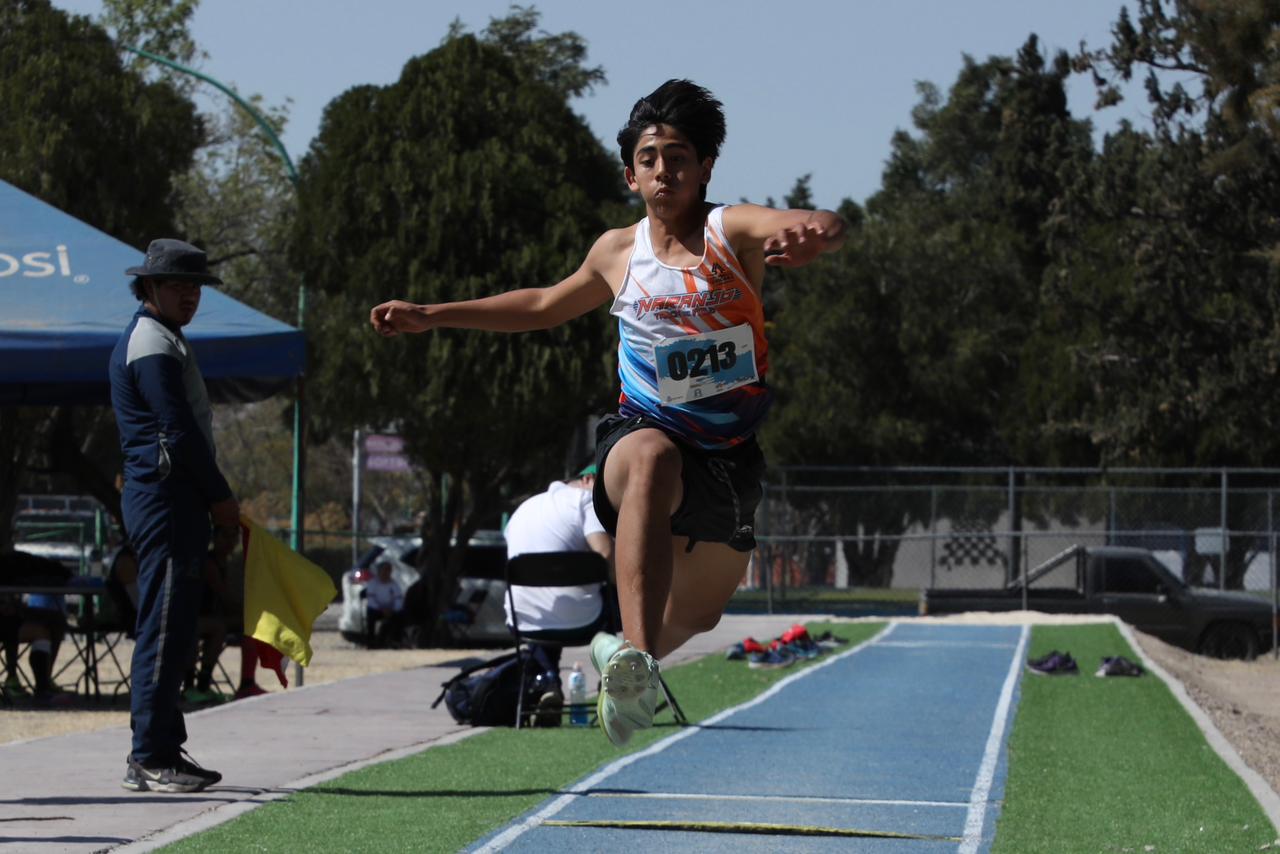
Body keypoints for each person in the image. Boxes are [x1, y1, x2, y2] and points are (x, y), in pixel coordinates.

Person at [369, 80, 846, 746]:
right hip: (641, 432)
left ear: (706, 167)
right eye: (649, 159)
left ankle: (620, 650)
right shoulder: (618, 253)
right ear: (630, 175)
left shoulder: (728, 231)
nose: (664, 171)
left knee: (700, 615)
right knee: (651, 458)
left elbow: (810, 221)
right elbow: (541, 305)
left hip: (728, 456)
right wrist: (434, 315)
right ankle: (638, 660)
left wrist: (815, 232)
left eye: (678, 157)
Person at [108, 238, 240, 792]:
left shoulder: (166, 337)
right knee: (162, 629)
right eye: (179, 286)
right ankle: (148, 756)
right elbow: (178, 433)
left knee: (178, 628)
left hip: (175, 501)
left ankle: (165, 747)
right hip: (164, 500)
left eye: (196, 287)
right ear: (150, 287)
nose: (189, 296)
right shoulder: (150, 342)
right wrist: (222, 498)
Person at [502, 463, 615, 723]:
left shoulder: (524, 508)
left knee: (547, 607)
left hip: (523, 621)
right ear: (589, 479)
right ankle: (613, 684)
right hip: (582, 620)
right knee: (615, 598)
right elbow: (605, 555)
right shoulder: (586, 500)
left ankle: (548, 681)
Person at [363, 561, 404, 648]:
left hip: (390, 609)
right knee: (370, 615)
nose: (386, 573)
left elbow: (398, 599)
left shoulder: (394, 584)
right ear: (379, 571)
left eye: (389, 571)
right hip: (376, 609)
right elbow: (371, 600)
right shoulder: (372, 583)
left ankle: (395, 641)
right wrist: (382, 609)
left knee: (400, 616)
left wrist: (393, 609)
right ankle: (371, 642)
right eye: (384, 570)